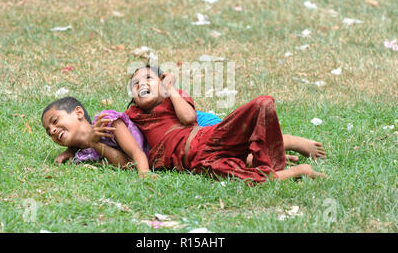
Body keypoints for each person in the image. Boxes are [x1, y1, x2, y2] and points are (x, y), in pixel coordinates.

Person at [125, 65, 326, 185]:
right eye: (135, 83)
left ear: (162, 83)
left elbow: (188, 118)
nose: (141, 84)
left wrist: (171, 89)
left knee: (261, 104)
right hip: (198, 163)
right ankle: (298, 171)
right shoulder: (134, 114)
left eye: (148, 78)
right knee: (246, 178)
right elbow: (115, 124)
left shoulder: (173, 100)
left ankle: (282, 148)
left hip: (208, 138)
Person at [41, 97, 151, 177]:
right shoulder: (82, 155)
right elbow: (128, 166)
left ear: (79, 113)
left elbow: (136, 153)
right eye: (49, 133)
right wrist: (93, 144)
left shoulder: (108, 123)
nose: (53, 130)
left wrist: (145, 174)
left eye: (55, 121)